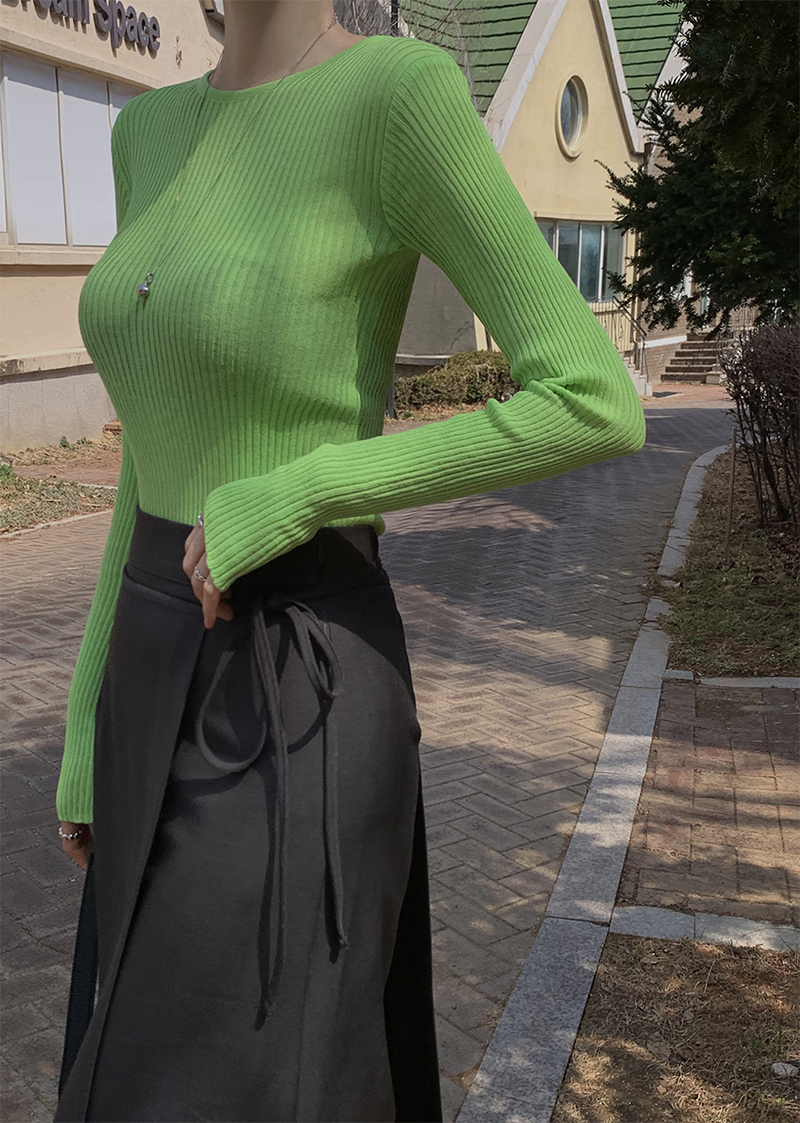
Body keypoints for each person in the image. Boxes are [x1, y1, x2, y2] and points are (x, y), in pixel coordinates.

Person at [54, 1, 646, 1120]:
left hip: (297, 674)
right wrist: (86, 721)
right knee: (120, 1054)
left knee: (236, 1079)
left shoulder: (394, 99)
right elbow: (148, 450)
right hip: (145, 657)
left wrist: (307, 489)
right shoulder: (144, 132)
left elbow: (593, 398)